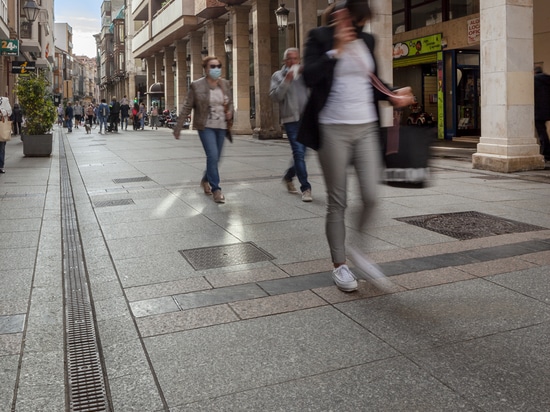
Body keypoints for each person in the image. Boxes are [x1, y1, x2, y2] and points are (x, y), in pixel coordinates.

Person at [298, 0, 414, 292]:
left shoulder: (367, 40)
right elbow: (309, 77)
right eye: (356, 19)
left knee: (372, 196)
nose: (358, 26)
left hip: (365, 128)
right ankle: (340, 265)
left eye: (362, 21)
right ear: (341, 15)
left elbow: (372, 81)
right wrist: (336, 47)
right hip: (332, 128)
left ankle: (359, 251)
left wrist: (394, 94)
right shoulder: (319, 37)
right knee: (338, 201)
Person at [173, 55, 234, 204]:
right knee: (212, 155)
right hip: (205, 125)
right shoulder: (197, 85)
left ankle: (205, 179)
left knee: (216, 158)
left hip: (221, 126)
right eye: (212, 66)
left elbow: (230, 103)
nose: (215, 69)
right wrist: (179, 126)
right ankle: (216, 190)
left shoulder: (225, 84)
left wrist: (230, 113)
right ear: (205, 69)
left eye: (218, 66)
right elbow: (188, 106)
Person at [270, 47, 312, 202]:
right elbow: (275, 96)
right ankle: (306, 188)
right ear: (284, 61)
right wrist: (287, 79)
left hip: (306, 119)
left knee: (303, 153)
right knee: (299, 153)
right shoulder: (277, 76)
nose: (292, 61)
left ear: (299, 60)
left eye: (295, 58)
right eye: (289, 58)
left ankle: (288, 176)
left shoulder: (305, 74)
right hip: (291, 120)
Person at [534, 66, 550, 161]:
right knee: (543, 131)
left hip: (538, 110)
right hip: (547, 110)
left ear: (535, 72)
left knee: (541, 132)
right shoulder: (548, 79)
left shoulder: (534, 80)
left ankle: (546, 152)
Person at [0, 95, 12, 173]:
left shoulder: (4, 100)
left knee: (1, 148)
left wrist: (2, 111)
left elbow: (9, 112)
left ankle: (1, 166)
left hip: (2, 127)